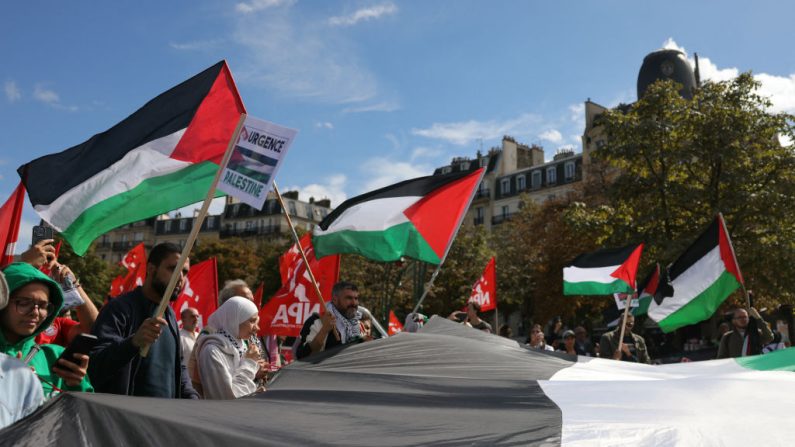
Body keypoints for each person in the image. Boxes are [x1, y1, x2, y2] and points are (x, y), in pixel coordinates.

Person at [88, 243, 199, 398]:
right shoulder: (119, 308)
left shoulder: (170, 316)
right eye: (173, 269)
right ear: (151, 269)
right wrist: (133, 343)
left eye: (185, 272)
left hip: (162, 418)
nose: (180, 278)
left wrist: (191, 396)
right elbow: (95, 365)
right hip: (125, 417)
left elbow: (179, 366)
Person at [0, 262, 93, 397]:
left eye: (43, 306)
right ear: (3, 302)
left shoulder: (56, 358)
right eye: (24, 302)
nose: (35, 312)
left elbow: (86, 413)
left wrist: (77, 384)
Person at [192, 297, 265, 399]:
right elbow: (228, 398)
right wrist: (250, 363)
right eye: (252, 321)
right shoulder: (212, 351)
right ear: (234, 320)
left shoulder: (242, 345)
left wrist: (256, 374)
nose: (257, 328)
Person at [296, 281, 362, 359]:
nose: (354, 303)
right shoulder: (317, 321)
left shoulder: (357, 324)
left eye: (356, 298)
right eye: (349, 298)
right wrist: (324, 330)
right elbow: (303, 356)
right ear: (335, 299)